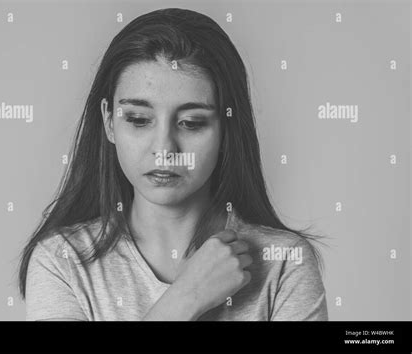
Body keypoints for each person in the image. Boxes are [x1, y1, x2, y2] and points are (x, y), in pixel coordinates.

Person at [19, 8, 329, 321]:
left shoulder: (284, 263)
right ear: (109, 122)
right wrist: (185, 298)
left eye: (191, 123)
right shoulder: (62, 261)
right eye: (139, 120)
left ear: (227, 128)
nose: (164, 148)